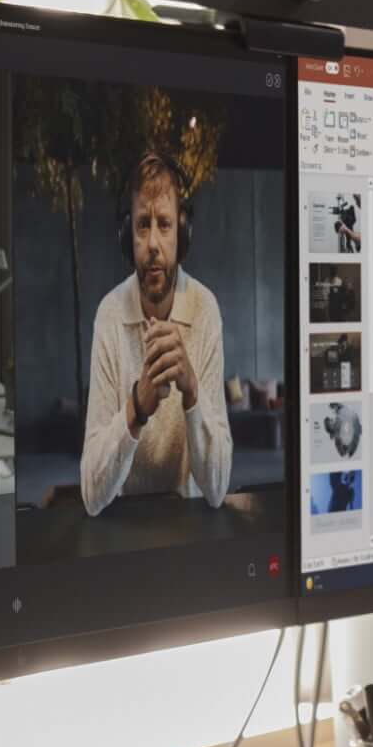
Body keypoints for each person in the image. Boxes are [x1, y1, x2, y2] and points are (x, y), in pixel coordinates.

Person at [81, 150, 234, 514]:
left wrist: (192, 392)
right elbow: (90, 495)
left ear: (182, 233)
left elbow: (216, 489)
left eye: (164, 225)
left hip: (192, 527)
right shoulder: (109, 314)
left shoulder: (205, 309)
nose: (152, 243)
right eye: (142, 225)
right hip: (125, 526)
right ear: (126, 235)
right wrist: (136, 407)